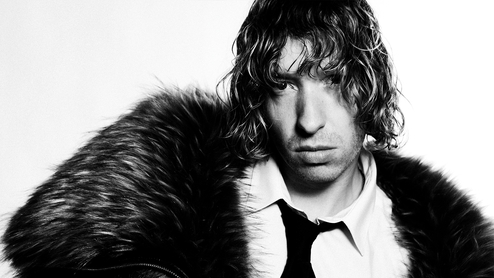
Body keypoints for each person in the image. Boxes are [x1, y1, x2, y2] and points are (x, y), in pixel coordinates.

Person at [2, 1, 493, 278]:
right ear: (256, 97)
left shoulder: (440, 255)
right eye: (284, 85)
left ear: (370, 89)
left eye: (334, 80)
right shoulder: (156, 217)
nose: (309, 120)